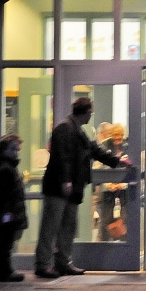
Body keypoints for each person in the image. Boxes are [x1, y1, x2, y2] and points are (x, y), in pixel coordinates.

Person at [35, 97, 131, 278]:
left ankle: (63, 262)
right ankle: (43, 264)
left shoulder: (78, 130)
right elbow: (61, 157)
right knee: (51, 225)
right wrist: (66, 180)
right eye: (90, 113)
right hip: (59, 188)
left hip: (71, 189)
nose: (90, 116)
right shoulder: (65, 128)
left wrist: (118, 161)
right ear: (85, 112)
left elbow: (95, 151)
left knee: (68, 226)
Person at [0, 133, 29, 282]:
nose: (16, 152)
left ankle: (5, 270)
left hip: (6, 212)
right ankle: (3, 271)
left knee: (5, 243)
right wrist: (7, 213)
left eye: (17, 149)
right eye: (13, 149)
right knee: (4, 243)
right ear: (4, 150)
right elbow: (2, 194)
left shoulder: (5, 167)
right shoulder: (5, 169)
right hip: (6, 213)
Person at [97, 124, 128, 241]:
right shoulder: (104, 146)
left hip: (124, 187)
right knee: (106, 218)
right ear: (111, 135)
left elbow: (133, 167)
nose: (118, 137)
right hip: (108, 188)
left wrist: (124, 184)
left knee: (126, 218)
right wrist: (108, 184)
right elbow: (98, 167)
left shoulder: (128, 146)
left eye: (120, 135)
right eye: (115, 134)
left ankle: (126, 245)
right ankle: (104, 244)